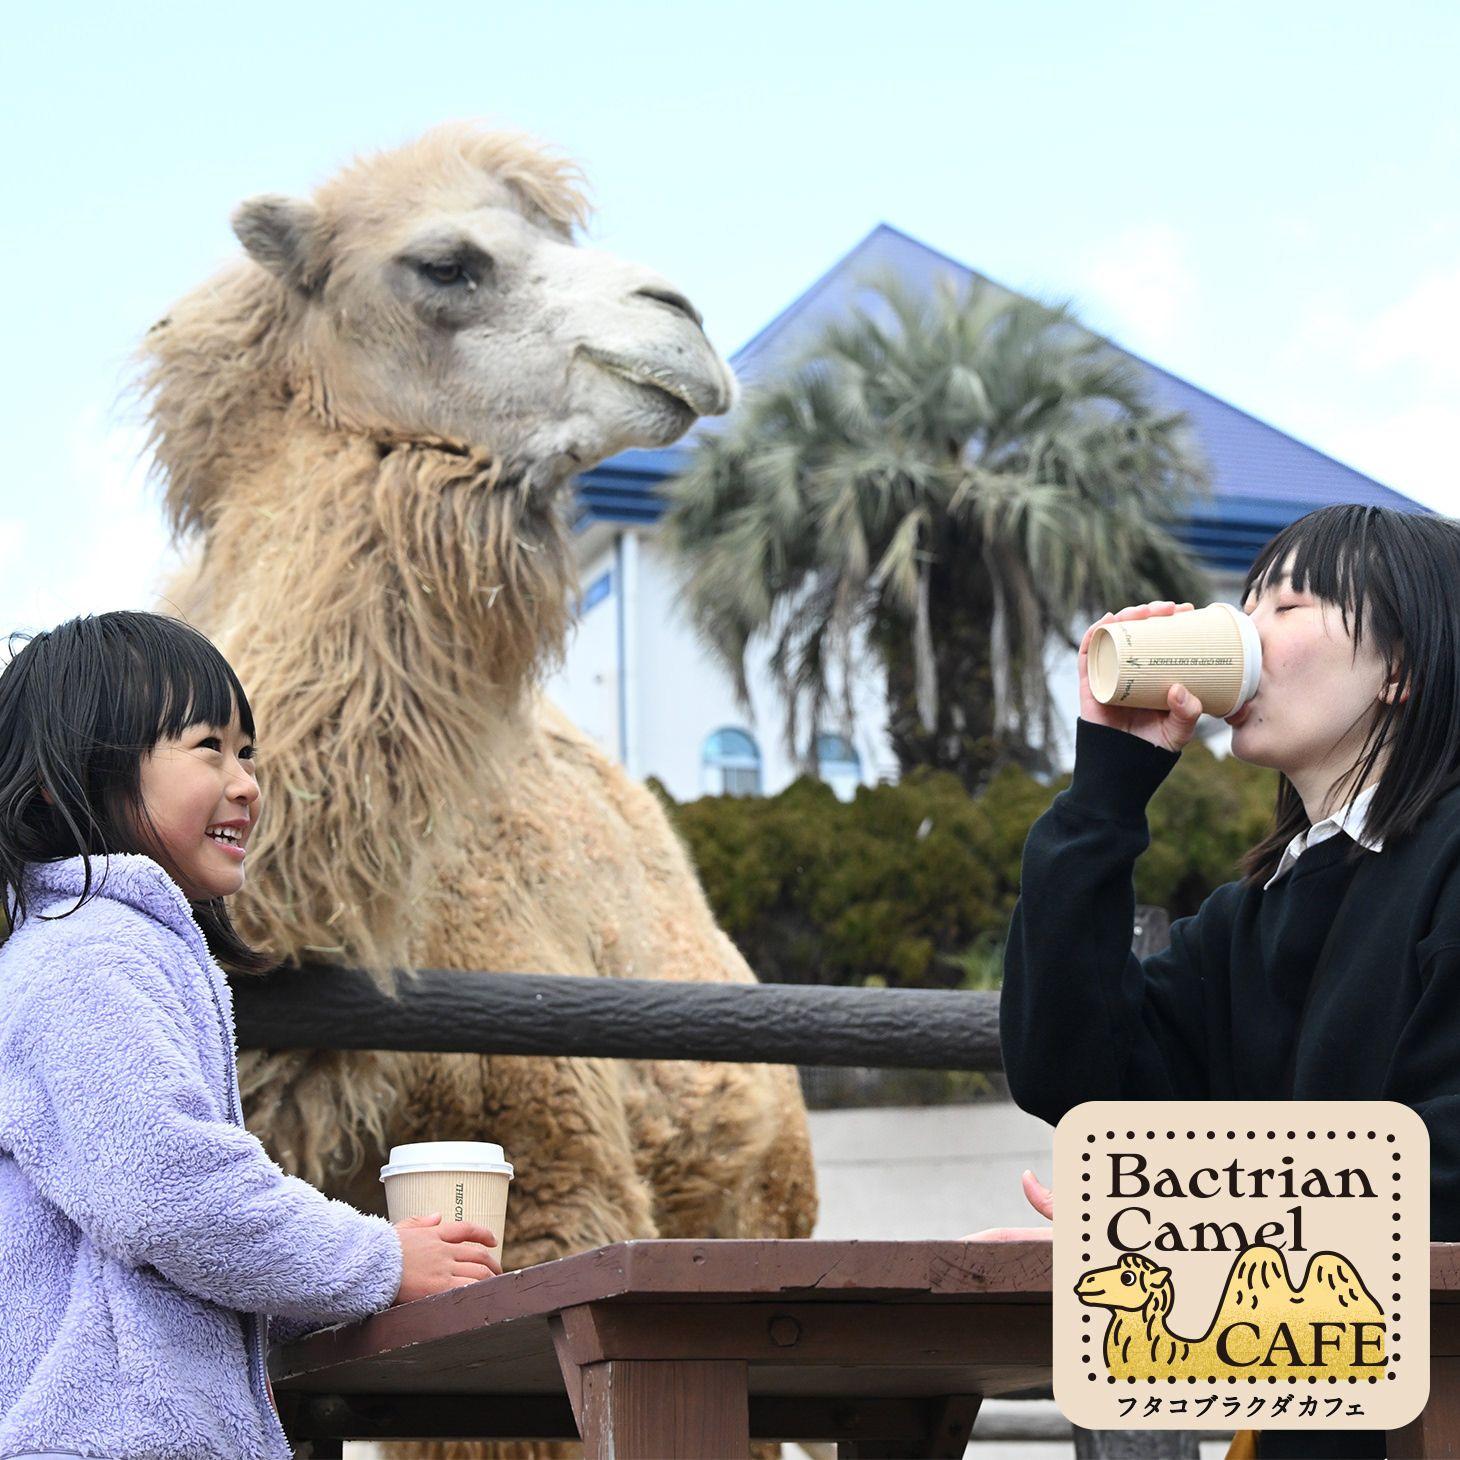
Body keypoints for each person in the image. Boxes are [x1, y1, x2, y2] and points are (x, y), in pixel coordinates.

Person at [991, 502, 1460, 1460]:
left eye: (1288, 606)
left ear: (1404, 667)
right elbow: (1075, 1082)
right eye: (1243, 602)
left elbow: (1443, 1170)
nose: (1243, 629)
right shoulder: (1251, 916)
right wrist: (1106, 790)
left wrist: (1163, 1233)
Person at [0, 611, 503, 1460]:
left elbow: (160, 1242)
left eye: (248, 753)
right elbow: (171, 1194)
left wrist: (330, 1288)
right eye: (208, 748)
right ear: (69, 779)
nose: (245, 784)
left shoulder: (115, 948)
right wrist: (377, 1261)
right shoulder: (84, 954)